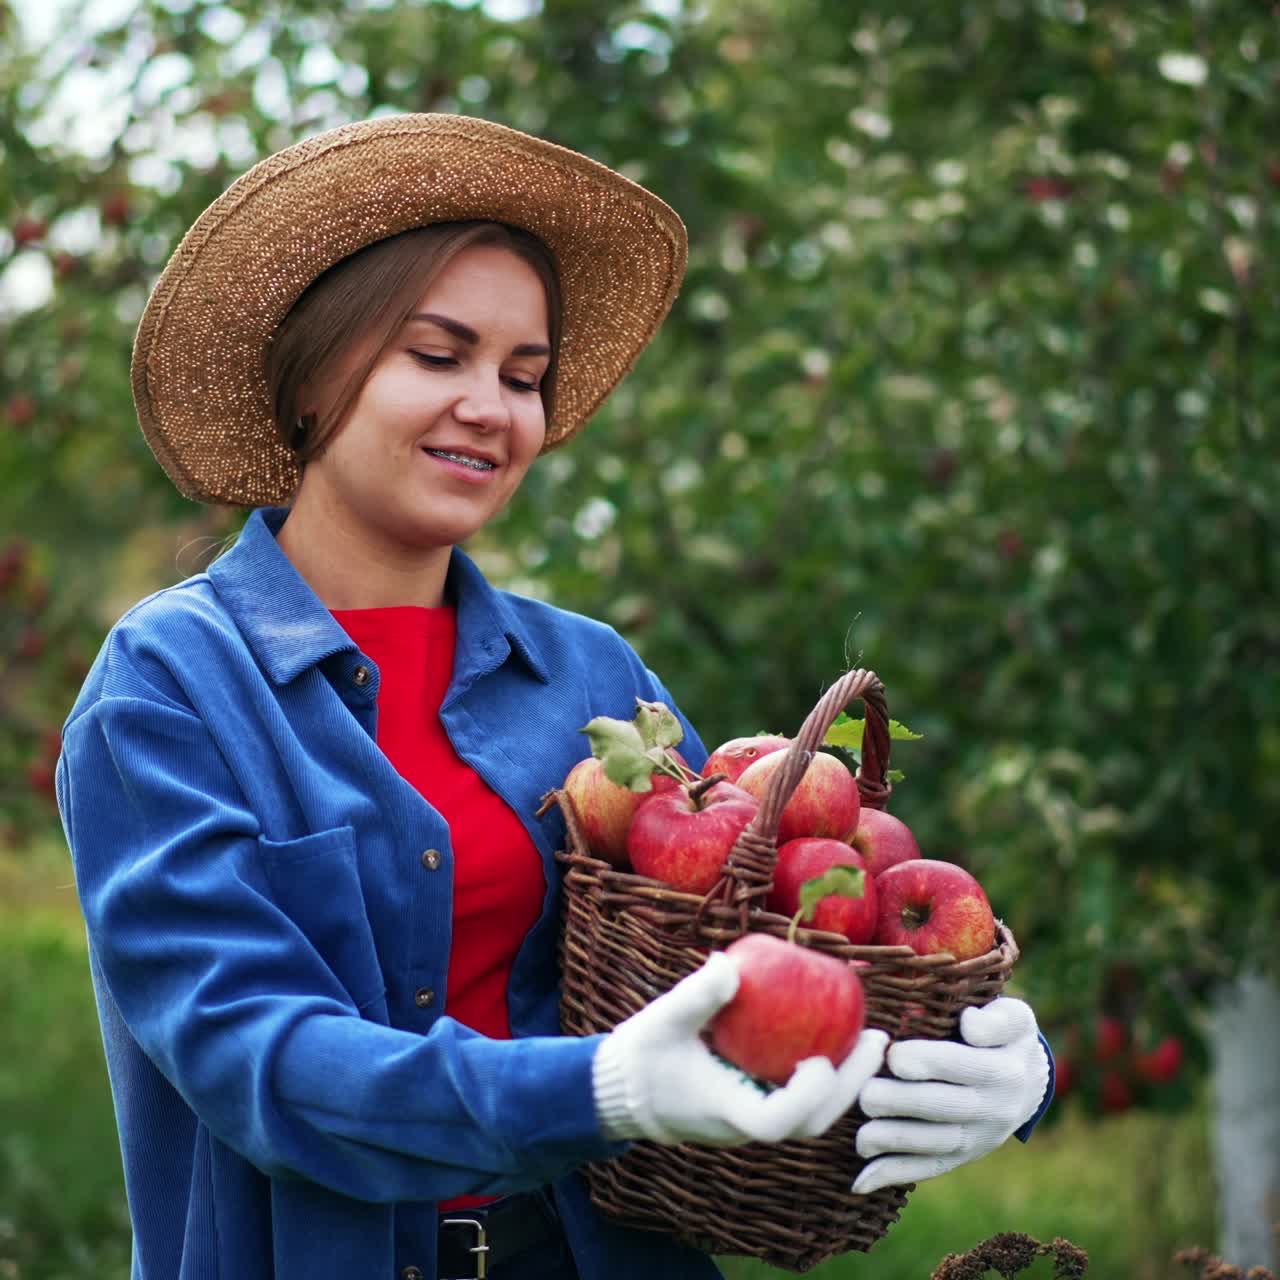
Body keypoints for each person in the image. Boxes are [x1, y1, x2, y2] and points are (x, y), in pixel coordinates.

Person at [56, 114, 1053, 1280]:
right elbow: (254, 1055)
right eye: (437, 356)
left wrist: (994, 1063)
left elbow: (771, 929)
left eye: (523, 376)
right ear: (316, 374)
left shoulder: (589, 681)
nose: (492, 404)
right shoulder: (172, 684)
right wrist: (601, 1087)